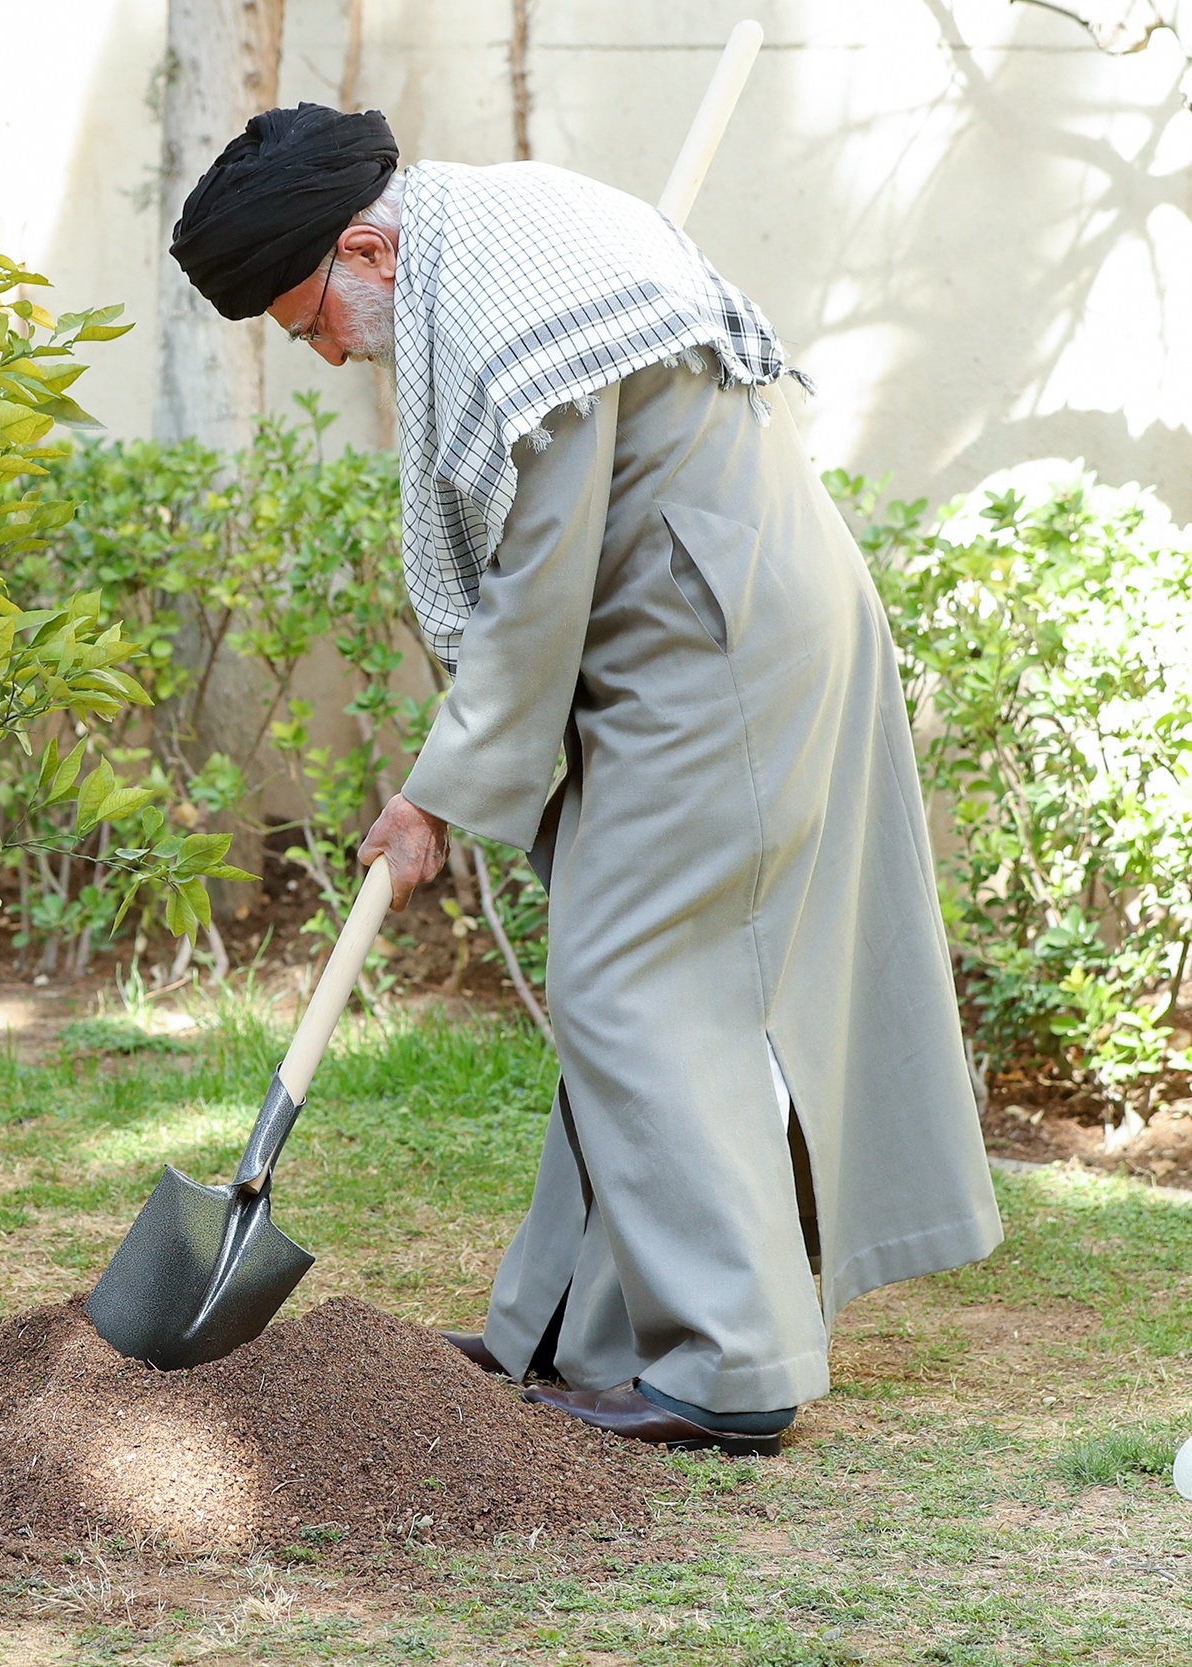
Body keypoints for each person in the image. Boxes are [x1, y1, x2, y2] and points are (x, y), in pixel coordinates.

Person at [168, 105, 1001, 1456]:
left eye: (304, 319)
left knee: (632, 977)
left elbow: (539, 592)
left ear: (366, 248)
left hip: (716, 648)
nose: (320, 351)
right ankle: (571, 1329)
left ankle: (730, 1370)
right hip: (707, 618)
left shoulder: (507, 309)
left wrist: (435, 795)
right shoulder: (497, 246)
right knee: (639, 981)